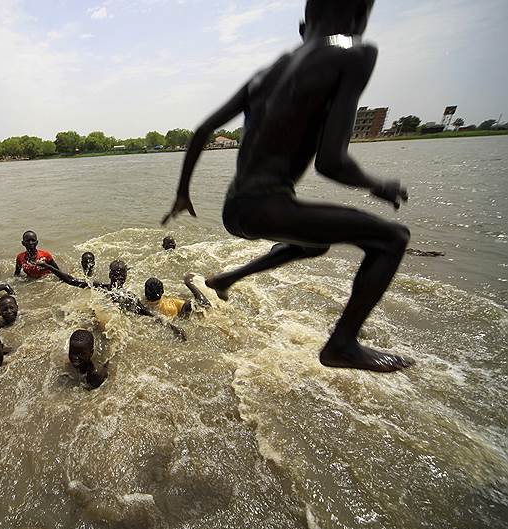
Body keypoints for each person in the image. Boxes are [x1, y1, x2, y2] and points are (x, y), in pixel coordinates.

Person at [162, 0, 411, 372]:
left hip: (235, 209)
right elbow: (332, 162)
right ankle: (342, 344)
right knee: (392, 238)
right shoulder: (354, 51)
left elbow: (201, 131)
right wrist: (376, 184)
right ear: (360, 15)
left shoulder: (267, 72)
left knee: (316, 244)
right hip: (267, 204)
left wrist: (183, 193)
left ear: (303, 23)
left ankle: (226, 278)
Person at [38, 260, 186, 340]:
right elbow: (71, 281)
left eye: (122, 274)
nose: (119, 277)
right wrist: (49, 267)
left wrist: (172, 327)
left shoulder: (129, 297)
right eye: (116, 273)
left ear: (126, 276)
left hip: (115, 328)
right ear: (110, 274)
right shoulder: (100, 287)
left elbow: (148, 314)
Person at [143, 273, 211, 319]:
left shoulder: (144, 303)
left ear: (146, 294)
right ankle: (190, 283)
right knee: (204, 304)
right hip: (185, 308)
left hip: (180, 305)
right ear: (162, 292)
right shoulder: (168, 308)